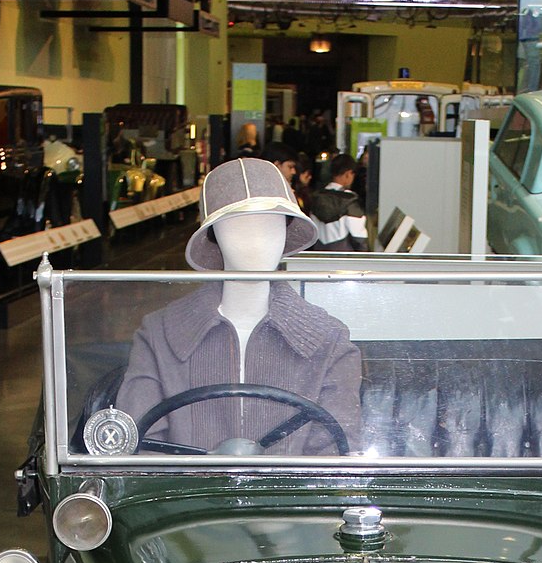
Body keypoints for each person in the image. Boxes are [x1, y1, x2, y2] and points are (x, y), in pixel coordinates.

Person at [116, 158, 361, 454]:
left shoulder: (329, 340)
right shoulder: (158, 335)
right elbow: (138, 453)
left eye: (272, 223)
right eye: (237, 225)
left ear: (287, 231)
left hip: (294, 501)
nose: (257, 241)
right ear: (214, 236)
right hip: (184, 499)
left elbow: (335, 457)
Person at [306, 154, 368, 253]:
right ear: (348, 174)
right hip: (344, 258)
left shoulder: (316, 197)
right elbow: (359, 236)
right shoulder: (350, 200)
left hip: (319, 254)